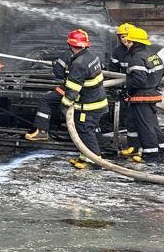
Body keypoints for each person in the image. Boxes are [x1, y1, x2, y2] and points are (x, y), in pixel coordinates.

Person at [24, 29, 110, 169]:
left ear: (70, 45)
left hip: (89, 104)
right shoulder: (91, 56)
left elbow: (72, 92)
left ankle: (94, 161)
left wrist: (64, 106)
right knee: (85, 129)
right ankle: (85, 156)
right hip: (95, 99)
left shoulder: (79, 64)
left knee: (85, 130)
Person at [117, 23, 164, 164]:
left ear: (134, 42)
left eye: (128, 40)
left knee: (145, 126)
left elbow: (138, 80)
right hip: (152, 93)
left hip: (141, 96)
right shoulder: (152, 55)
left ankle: (151, 155)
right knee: (152, 125)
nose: (126, 43)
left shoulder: (136, 57)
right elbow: (161, 73)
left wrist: (126, 89)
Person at [107, 31, 139, 159]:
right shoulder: (118, 51)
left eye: (126, 36)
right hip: (124, 88)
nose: (124, 39)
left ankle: (142, 146)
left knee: (139, 119)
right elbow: (113, 70)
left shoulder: (138, 52)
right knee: (129, 118)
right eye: (122, 37)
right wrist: (115, 87)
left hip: (137, 90)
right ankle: (133, 146)